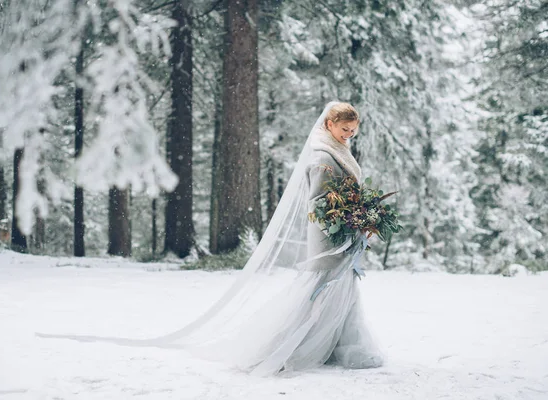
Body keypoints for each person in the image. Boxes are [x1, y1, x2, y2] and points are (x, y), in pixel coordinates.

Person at [37, 101, 385, 376]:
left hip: (343, 231)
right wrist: (351, 217)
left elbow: (343, 195)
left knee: (343, 286)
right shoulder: (323, 156)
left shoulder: (338, 150)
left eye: (352, 132)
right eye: (344, 129)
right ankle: (289, 345)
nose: (348, 136)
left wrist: (360, 214)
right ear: (328, 124)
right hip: (328, 234)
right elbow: (320, 203)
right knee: (324, 287)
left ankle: (339, 345)